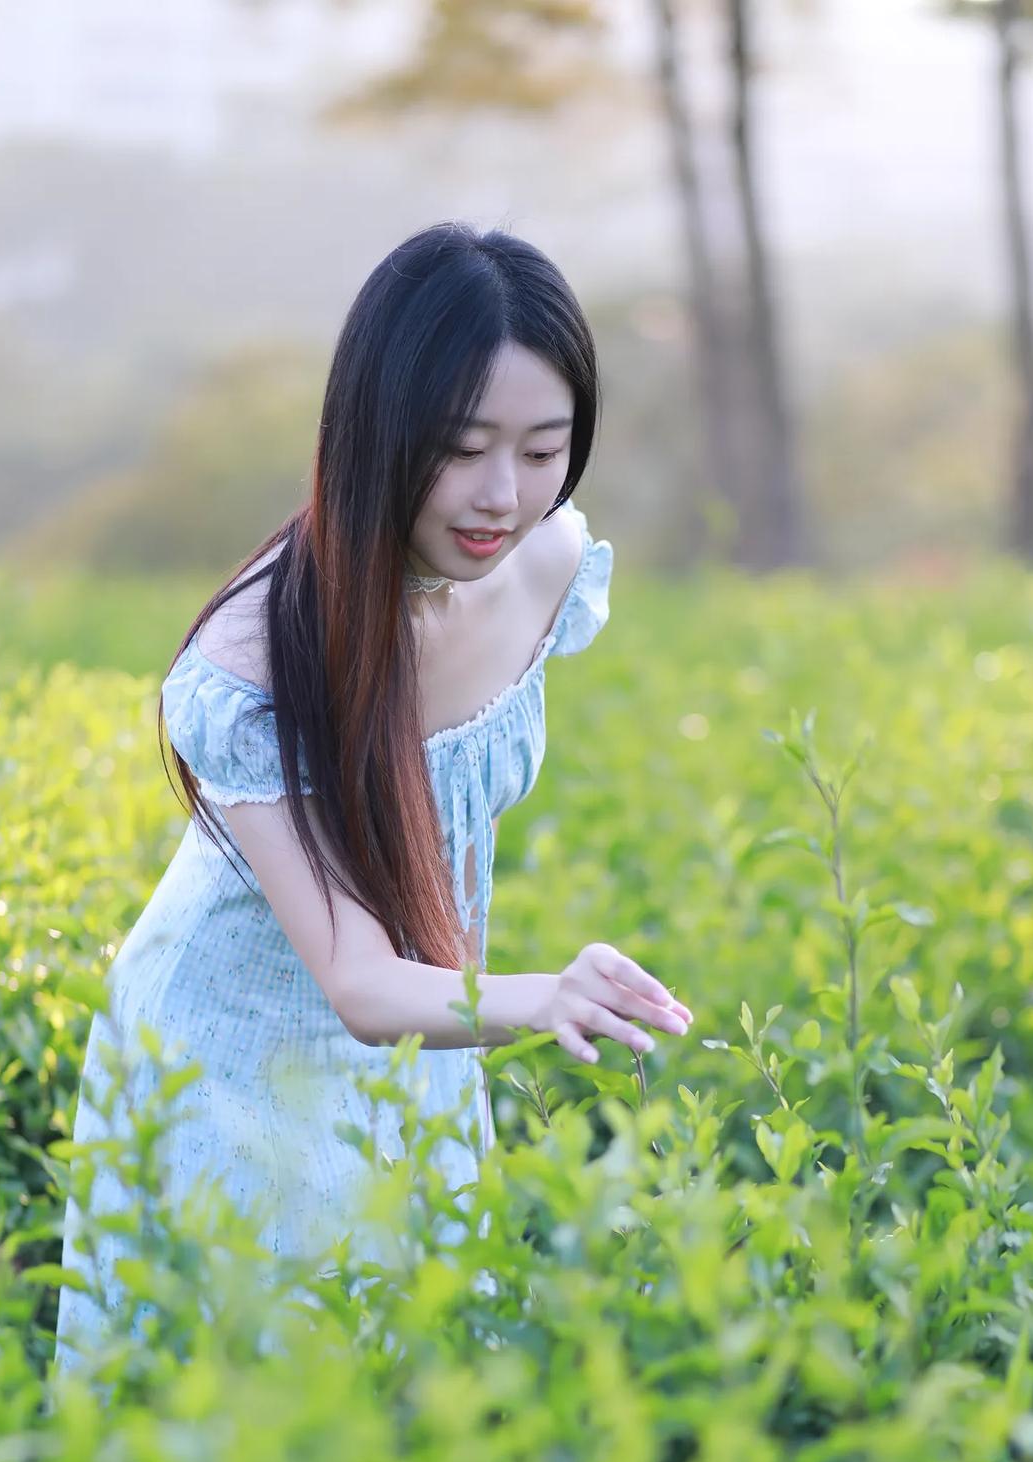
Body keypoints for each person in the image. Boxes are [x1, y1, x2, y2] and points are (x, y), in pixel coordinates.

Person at [52, 218, 693, 1380]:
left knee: (419, 1396)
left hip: (427, 1027)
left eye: (544, 450)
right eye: (459, 449)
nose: (502, 495)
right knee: (236, 1426)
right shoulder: (256, 656)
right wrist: (543, 993)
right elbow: (353, 978)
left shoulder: (541, 567)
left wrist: (512, 995)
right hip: (225, 1052)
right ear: (375, 432)